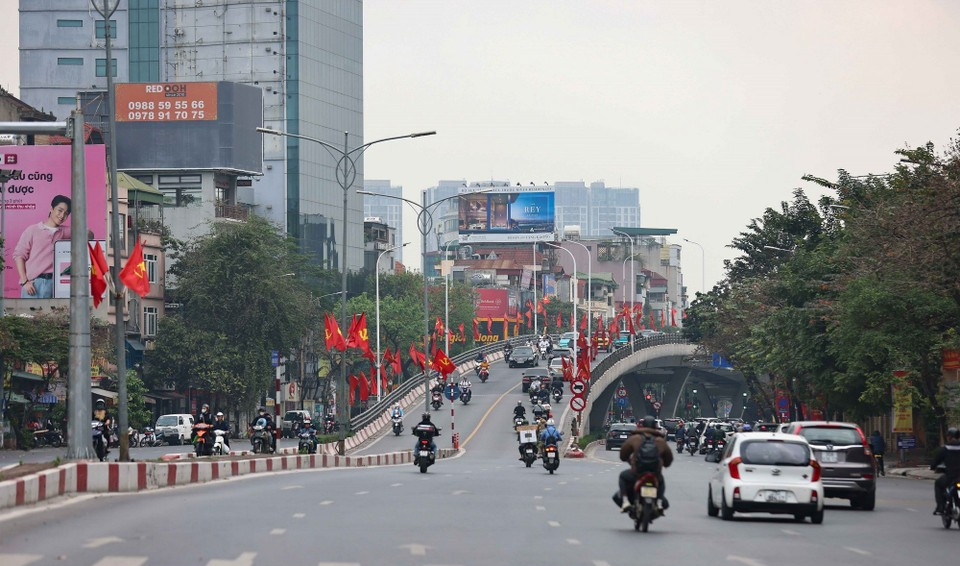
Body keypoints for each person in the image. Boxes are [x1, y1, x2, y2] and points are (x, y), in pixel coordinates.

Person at [14, 195, 72, 299]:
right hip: (33, 285)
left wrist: (81, 231)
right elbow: (19, 255)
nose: (62, 215)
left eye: (66, 213)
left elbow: (89, 234)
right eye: (60, 210)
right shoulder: (33, 230)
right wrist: (25, 281)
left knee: (57, 310)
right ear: (51, 209)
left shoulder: (65, 231)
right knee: (28, 310)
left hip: (55, 285)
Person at [614, 416, 673, 513]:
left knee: (623, 476)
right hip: (655, 473)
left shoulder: (635, 438)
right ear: (655, 426)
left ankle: (625, 501)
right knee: (661, 481)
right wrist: (664, 464)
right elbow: (669, 459)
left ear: (642, 425)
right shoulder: (660, 440)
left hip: (637, 473)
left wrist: (630, 461)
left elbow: (623, 455)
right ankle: (659, 502)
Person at [931, 427, 960, 515]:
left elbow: (936, 460)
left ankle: (940, 507)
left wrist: (933, 466)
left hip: (951, 477)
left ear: (949, 437)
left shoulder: (945, 448)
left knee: (938, 484)